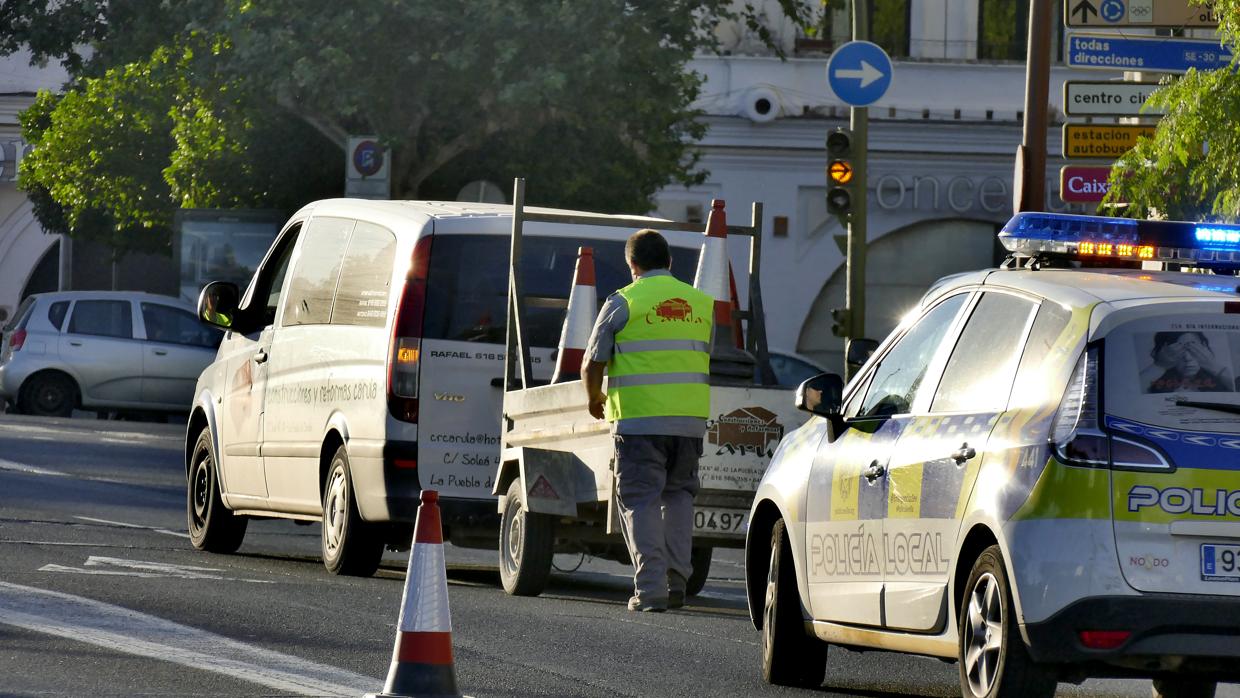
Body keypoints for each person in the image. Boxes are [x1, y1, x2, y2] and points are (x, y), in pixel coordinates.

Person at [582, 229, 713, 612]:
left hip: (639, 422)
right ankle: (677, 581)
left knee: (640, 500)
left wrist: (594, 398)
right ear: (670, 262)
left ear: (631, 265)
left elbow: (592, 362)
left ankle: (651, 589)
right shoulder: (701, 304)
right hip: (688, 421)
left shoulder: (623, 301)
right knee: (678, 498)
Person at [1146, 331, 1234, 394]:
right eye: (1179, 352)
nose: (1188, 358)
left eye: (1193, 349)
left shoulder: (1221, 382)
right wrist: (1159, 365)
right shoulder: (1153, 385)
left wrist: (1213, 366)